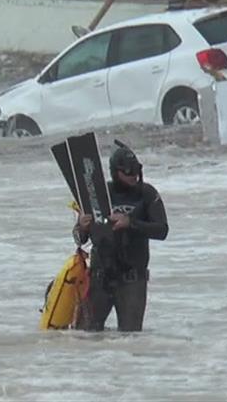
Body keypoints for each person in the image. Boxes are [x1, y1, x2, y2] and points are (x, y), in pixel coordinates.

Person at [74, 142, 168, 332]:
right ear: (115, 172)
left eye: (136, 171)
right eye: (128, 172)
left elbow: (162, 230)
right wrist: (81, 227)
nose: (134, 176)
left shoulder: (147, 194)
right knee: (84, 336)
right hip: (99, 278)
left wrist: (131, 223)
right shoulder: (98, 194)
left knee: (130, 339)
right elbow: (80, 239)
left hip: (132, 280)